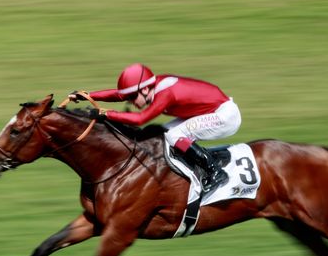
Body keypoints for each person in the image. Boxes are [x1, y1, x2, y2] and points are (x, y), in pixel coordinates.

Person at [70, 63, 242, 195]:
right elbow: (119, 94)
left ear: (145, 89)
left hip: (225, 116)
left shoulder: (165, 94)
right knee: (161, 133)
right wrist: (88, 95)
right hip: (208, 111)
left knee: (175, 135)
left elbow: (140, 119)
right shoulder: (149, 87)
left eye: (132, 97)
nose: (129, 101)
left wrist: (107, 114)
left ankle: (214, 171)